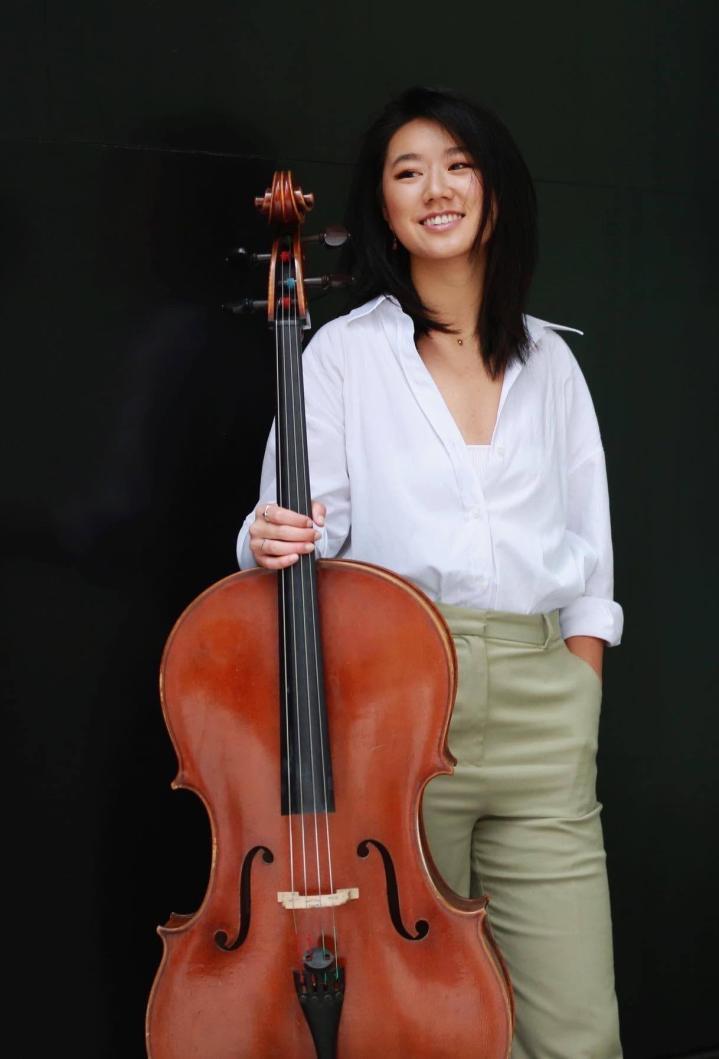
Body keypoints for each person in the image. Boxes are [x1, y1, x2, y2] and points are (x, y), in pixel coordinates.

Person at [236, 85, 624, 1059]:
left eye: (457, 165)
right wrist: (268, 538)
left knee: (576, 1029)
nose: (435, 188)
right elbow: (293, 534)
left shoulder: (550, 362)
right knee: (429, 1022)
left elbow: (590, 553)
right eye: (407, 172)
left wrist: (579, 685)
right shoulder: (340, 356)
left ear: (496, 192)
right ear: (383, 207)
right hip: (399, 706)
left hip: (543, 705)